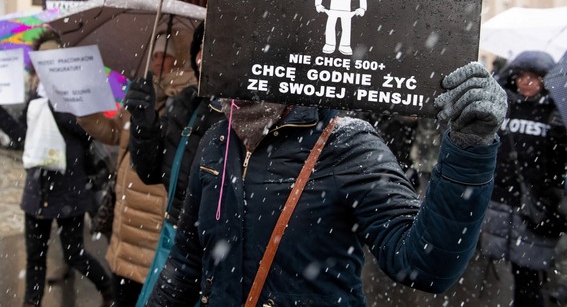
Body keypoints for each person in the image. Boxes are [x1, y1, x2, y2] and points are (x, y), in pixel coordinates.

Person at [143, 61, 507, 306]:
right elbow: (187, 260)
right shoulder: (218, 139)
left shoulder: (347, 144)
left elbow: (425, 264)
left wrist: (469, 149)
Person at [0, 29, 113, 307]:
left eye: (54, 55)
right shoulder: (36, 95)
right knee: (35, 257)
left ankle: (107, 288)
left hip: (70, 187)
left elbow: (88, 134)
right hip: (38, 189)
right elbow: (23, 136)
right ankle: (31, 303)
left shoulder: (77, 93)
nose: (48, 61)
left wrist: (57, 105)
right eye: (43, 57)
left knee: (74, 254)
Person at [76, 24, 198, 307]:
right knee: (123, 292)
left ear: (179, 58)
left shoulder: (188, 102)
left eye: (164, 56)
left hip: (152, 223)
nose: (156, 61)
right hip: (126, 216)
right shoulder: (143, 90)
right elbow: (117, 133)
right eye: (154, 55)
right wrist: (85, 111)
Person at [125, 22, 223, 304]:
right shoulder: (188, 104)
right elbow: (150, 171)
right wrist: (143, 125)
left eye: (212, 50)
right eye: (200, 50)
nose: (203, 57)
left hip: (221, 258)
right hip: (175, 244)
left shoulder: (246, 115)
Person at [478, 50, 567, 307]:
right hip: (503, 202)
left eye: (535, 77)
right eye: (522, 76)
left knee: (528, 277)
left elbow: (557, 165)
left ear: (545, 80)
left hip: (536, 207)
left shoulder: (556, 113)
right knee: (518, 272)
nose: (527, 82)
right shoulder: (502, 107)